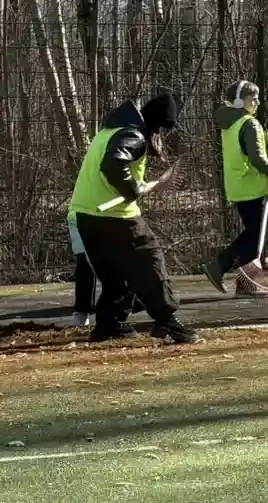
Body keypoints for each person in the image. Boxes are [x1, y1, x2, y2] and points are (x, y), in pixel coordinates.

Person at [67, 94, 197, 344]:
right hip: (115, 217)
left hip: (85, 215)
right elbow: (113, 163)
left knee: (115, 275)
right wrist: (131, 189)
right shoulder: (134, 134)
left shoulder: (111, 129)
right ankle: (167, 321)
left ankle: (109, 324)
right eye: (164, 130)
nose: (163, 137)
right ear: (157, 125)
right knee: (150, 260)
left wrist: (132, 187)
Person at [206, 81, 268, 296]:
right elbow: (257, 158)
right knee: (255, 238)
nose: (257, 102)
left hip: (238, 186)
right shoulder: (250, 124)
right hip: (252, 186)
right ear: (240, 102)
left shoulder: (231, 122)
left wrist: (265, 137)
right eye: (253, 99)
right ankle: (225, 269)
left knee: (253, 234)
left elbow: (243, 139)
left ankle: (233, 275)